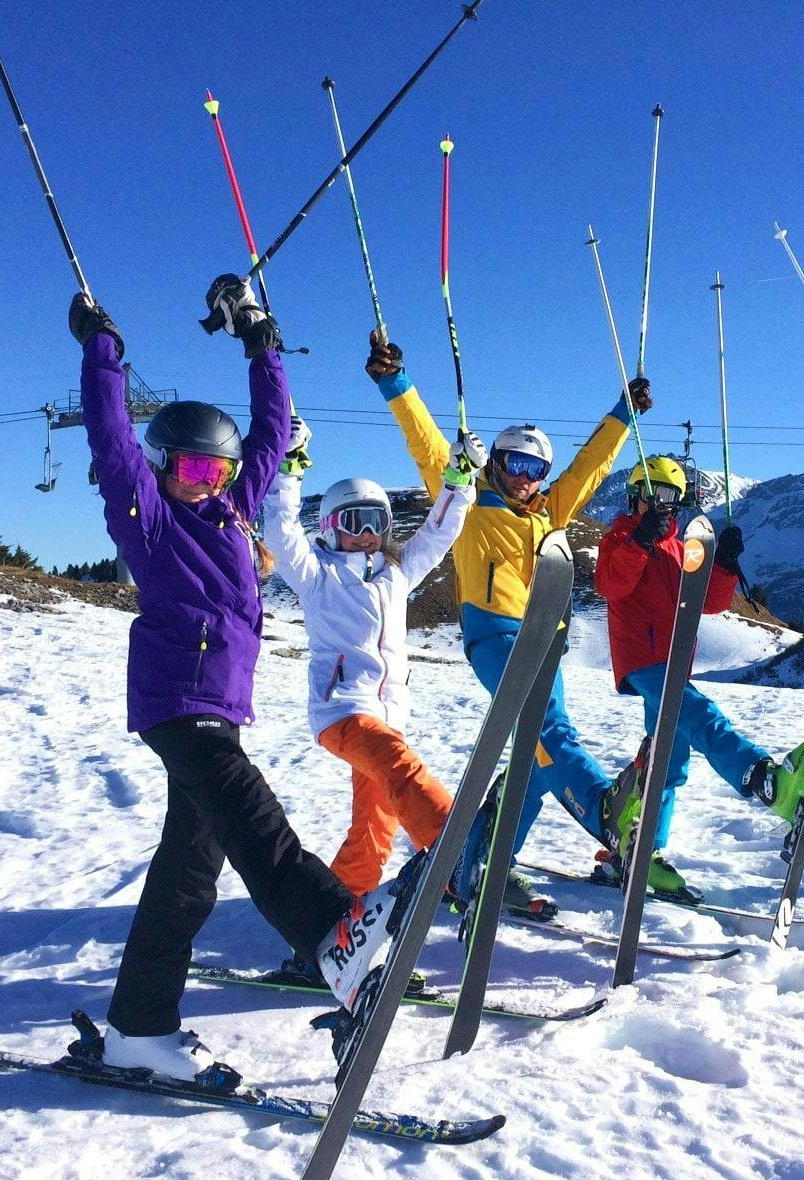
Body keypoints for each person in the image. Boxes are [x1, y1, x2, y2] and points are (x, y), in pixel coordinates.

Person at [67, 276, 410, 1081]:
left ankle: (138, 1029)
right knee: (259, 827)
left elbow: (268, 437)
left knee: (189, 874)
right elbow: (112, 440)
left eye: (218, 472)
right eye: (191, 467)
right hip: (177, 707)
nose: (210, 481)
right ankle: (335, 936)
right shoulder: (148, 517)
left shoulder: (231, 510)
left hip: (216, 710)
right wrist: (102, 350)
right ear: (164, 467)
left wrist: (261, 339)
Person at [365, 330, 650, 914]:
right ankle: (603, 810)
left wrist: (623, 413)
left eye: (535, 467)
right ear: (494, 460)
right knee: (552, 738)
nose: (524, 476)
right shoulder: (468, 499)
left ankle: (483, 861)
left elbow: (590, 469)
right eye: (514, 462)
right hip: (493, 636)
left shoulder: (549, 509)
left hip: (546, 642)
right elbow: (426, 446)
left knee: (536, 753)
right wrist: (396, 382)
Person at [261, 411, 485, 912]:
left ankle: (335, 915)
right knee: (400, 768)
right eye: (353, 522)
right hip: (343, 713)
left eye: (376, 523)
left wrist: (460, 480)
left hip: (388, 718)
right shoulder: (317, 574)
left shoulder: (396, 576)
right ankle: (460, 849)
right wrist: (289, 465)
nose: (366, 534)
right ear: (330, 527)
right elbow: (278, 529)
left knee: (374, 824)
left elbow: (437, 533)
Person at [594, 455, 781, 901]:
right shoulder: (619, 537)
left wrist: (726, 566)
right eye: (655, 495)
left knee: (669, 761)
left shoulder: (682, 546)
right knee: (701, 715)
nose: (664, 506)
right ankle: (756, 772)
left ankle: (642, 853)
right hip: (642, 660)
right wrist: (640, 543)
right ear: (636, 494)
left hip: (675, 660)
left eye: (672, 498)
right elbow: (610, 585)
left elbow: (709, 603)